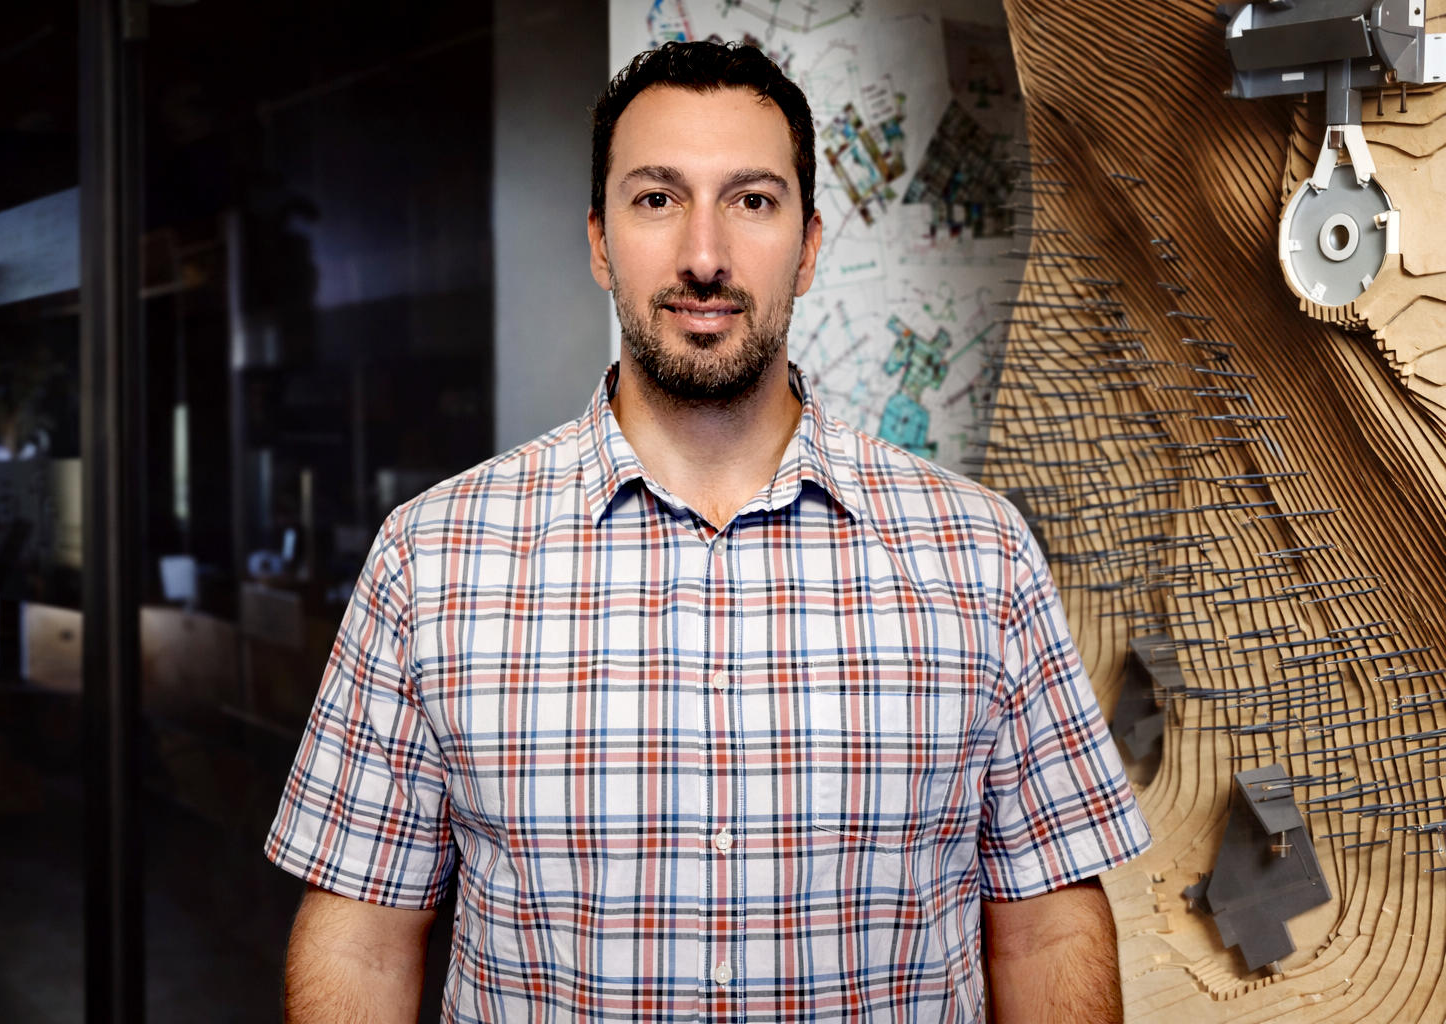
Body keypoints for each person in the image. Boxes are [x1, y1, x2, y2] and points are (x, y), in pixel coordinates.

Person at [267, 40, 1151, 1023]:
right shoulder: (431, 560)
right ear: (600, 241)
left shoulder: (981, 556)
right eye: (657, 198)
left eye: (752, 200)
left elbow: (1046, 925)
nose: (703, 254)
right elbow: (362, 937)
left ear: (809, 246)